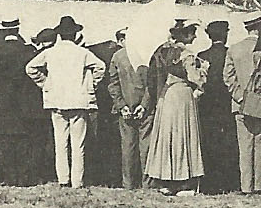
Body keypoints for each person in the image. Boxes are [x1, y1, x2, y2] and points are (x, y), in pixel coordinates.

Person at [24, 15, 106, 187]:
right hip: (78, 101)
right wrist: (91, 85)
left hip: (56, 100)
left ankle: (63, 179)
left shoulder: (50, 52)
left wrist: (44, 83)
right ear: (75, 34)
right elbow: (100, 67)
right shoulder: (83, 53)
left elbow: (30, 68)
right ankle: (77, 181)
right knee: (78, 145)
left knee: (60, 143)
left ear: (59, 34)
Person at [143, 23, 205, 193]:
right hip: (182, 95)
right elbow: (194, 78)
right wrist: (203, 73)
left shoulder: (163, 51)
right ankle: (183, 180)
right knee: (183, 134)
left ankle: (166, 180)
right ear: (185, 35)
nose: (195, 37)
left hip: (167, 94)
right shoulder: (187, 55)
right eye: (193, 33)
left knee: (168, 134)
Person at [0, 21, 45, 186]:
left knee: (5, 141)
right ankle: (24, 178)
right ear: (17, 30)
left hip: (2, 103)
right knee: (24, 140)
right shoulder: (28, 51)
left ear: (4, 33)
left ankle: (9, 177)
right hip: (24, 103)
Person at [222, 16, 261, 193]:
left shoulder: (234, 49)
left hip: (240, 105)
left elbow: (228, 78)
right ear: (260, 27)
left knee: (244, 146)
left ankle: (246, 187)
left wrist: (241, 97)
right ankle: (260, 186)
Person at [105, 29, 152, 189]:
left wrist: (121, 105)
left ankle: (128, 183)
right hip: (145, 108)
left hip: (125, 106)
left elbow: (113, 84)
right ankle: (147, 182)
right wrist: (144, 105)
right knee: (146, 145)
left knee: (127, 146)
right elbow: (152, 84)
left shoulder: (118, 56)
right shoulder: (147, 54)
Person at [197, 20, 239, 193]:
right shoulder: (231, 53)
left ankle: (210, 184)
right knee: (230, 142)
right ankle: (230, 182)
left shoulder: (202, 55)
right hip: (227, 103)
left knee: (209, 142)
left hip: (208, 105)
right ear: (226, 34)